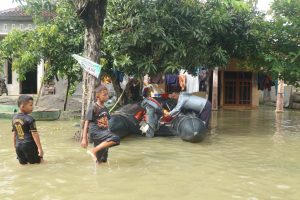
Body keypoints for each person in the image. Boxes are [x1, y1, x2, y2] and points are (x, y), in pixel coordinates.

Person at [81, 85, 120, 163]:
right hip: (96, 132)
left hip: (104, 133)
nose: (107, 97)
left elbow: (107, 122)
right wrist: (84, 138)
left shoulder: (105, 108)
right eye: (104, 95)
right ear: (98, 96)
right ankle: (93, 150)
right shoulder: (93, 107)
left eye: (107, 94)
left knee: (101, 159)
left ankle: (97, 170)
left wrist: (108, 132)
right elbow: (86, 122)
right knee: (116, 138)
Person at [12, 95, 43, 165]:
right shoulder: (30, 119)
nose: (32, 107)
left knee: (24, 165)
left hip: (18, 146)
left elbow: (14, 134)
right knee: (38, 163)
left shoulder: (14, 118)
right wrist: (40, 149)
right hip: (29, 145)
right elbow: (35, 134)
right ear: (23, 106)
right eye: (30, 105)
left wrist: (15, 147)